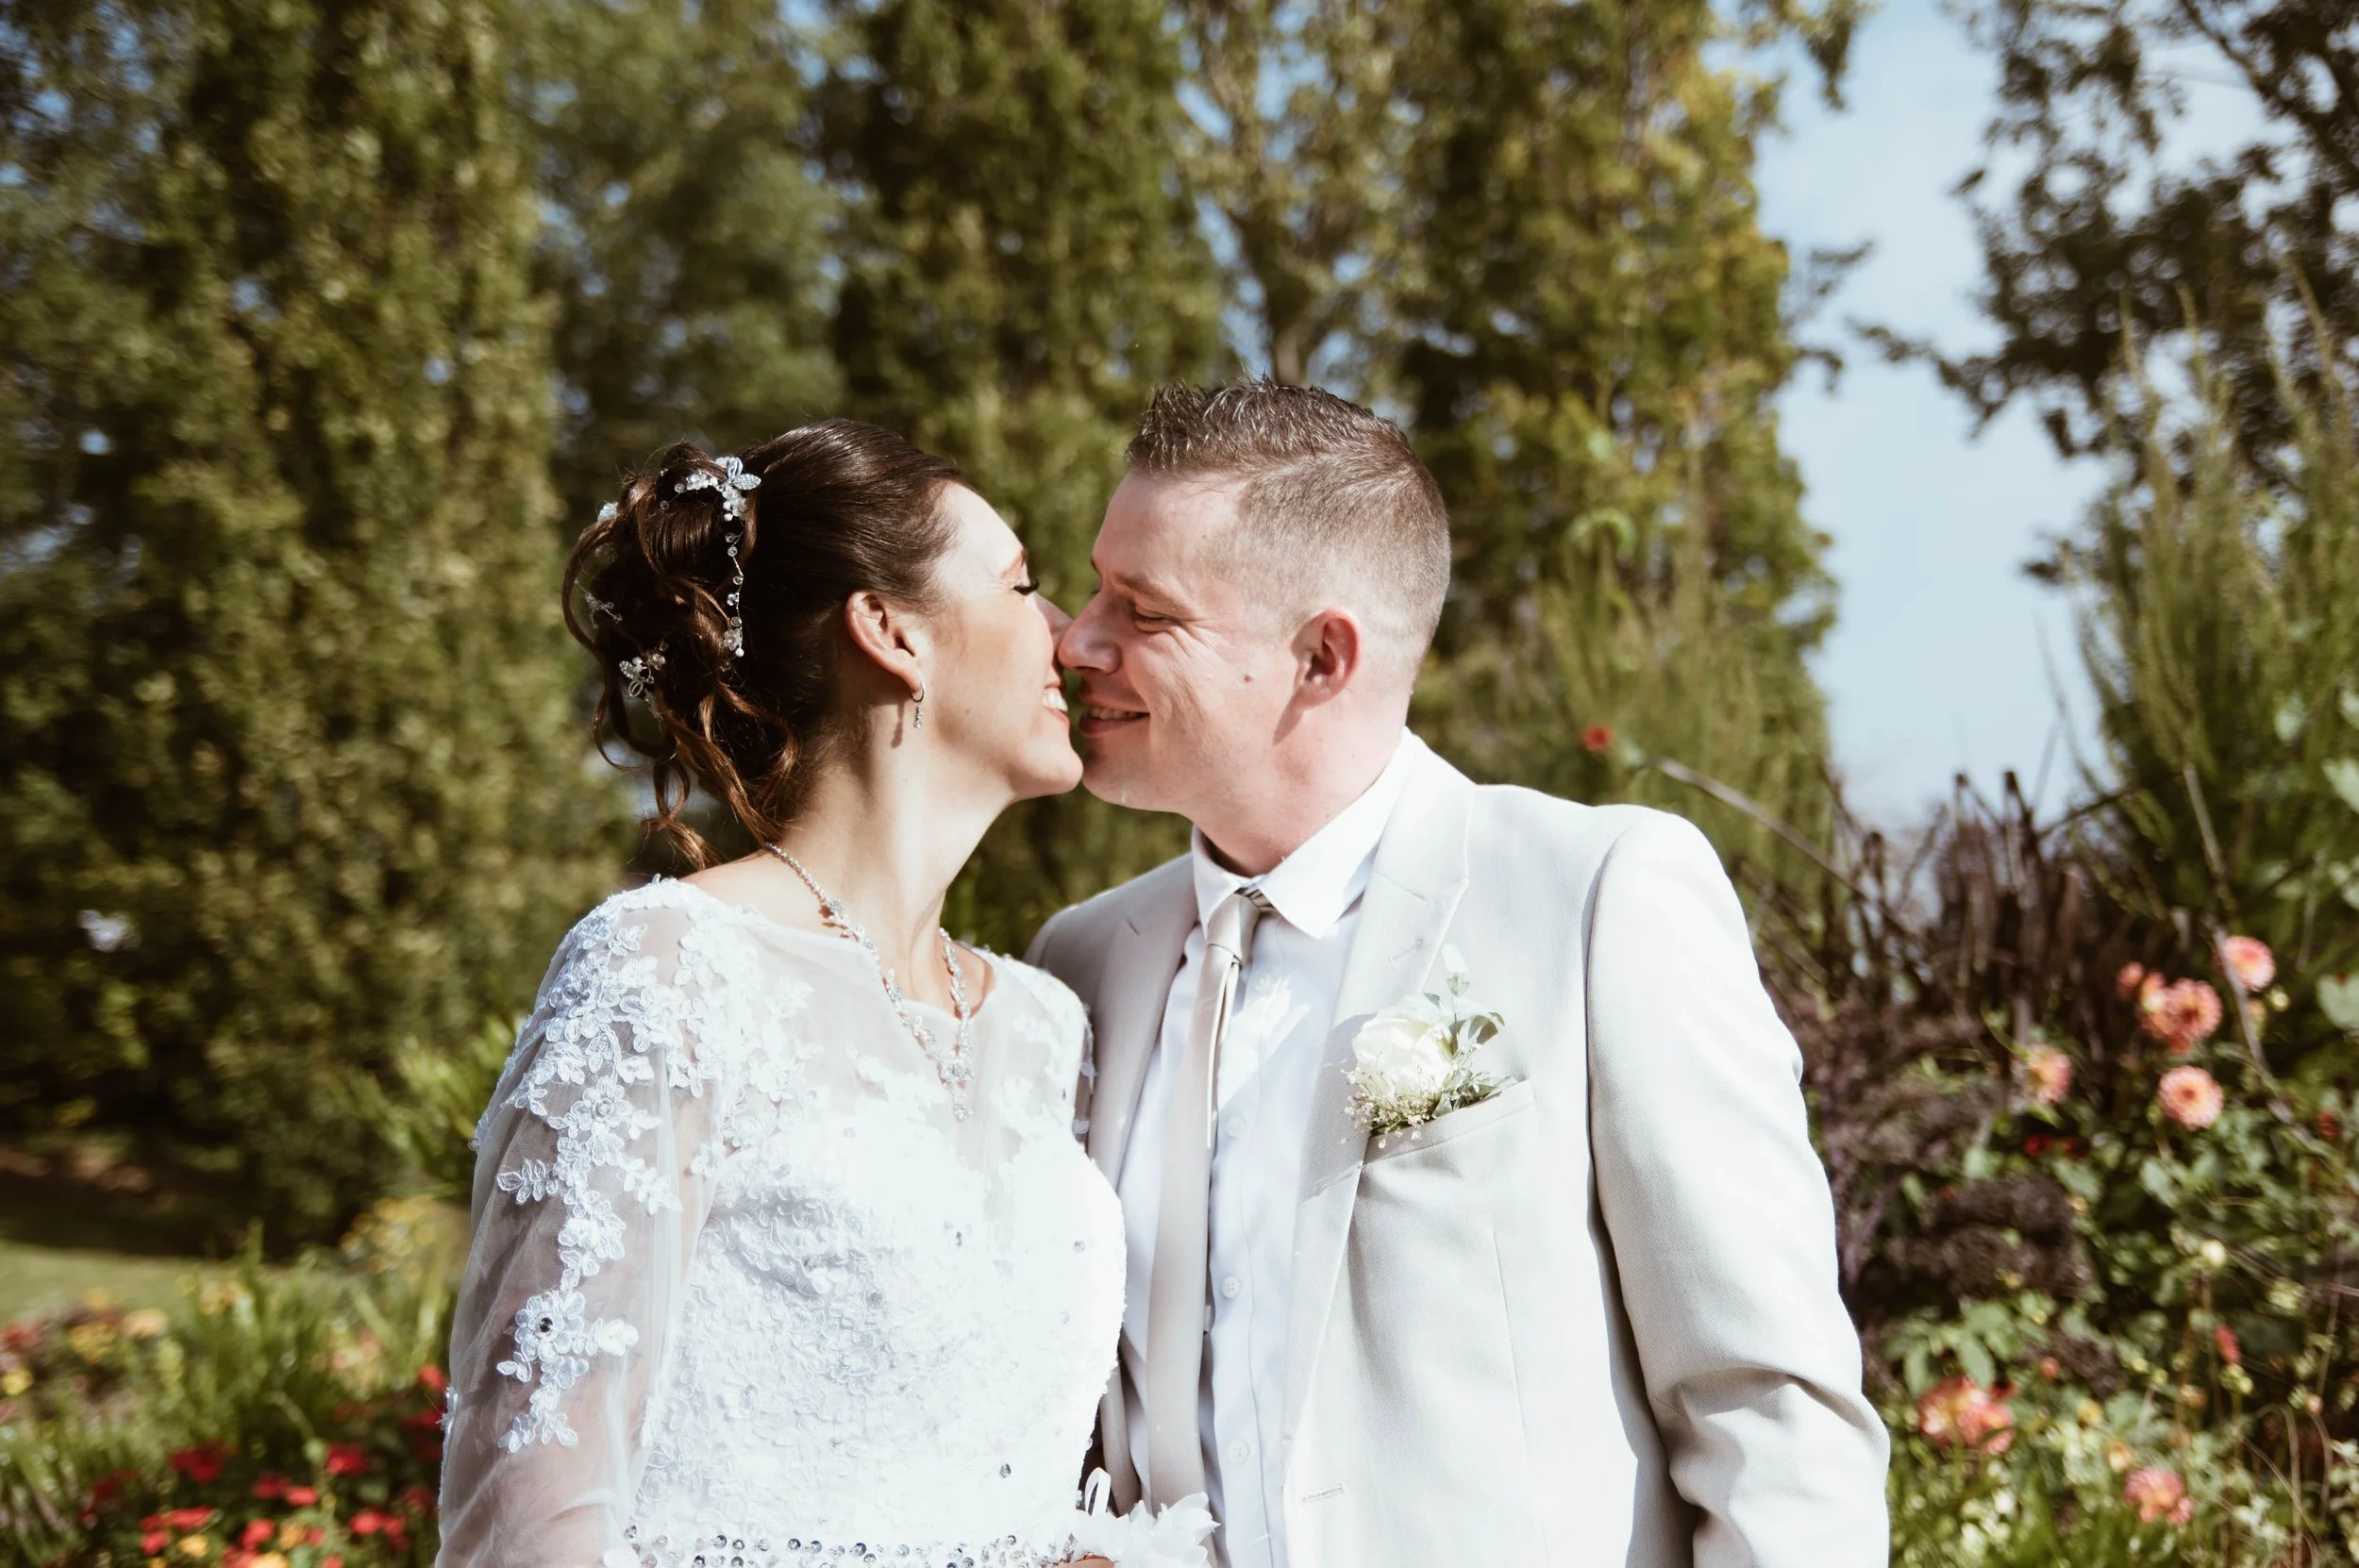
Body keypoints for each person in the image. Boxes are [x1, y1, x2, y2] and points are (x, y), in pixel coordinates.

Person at [1029, 381, 1889, 1568]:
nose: (1077, 639)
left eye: (1144, 608)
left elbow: (1768, 1411)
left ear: (1322, 656)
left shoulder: (1596, 896)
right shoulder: (1075, 964)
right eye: (1092, 587)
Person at [437, 421, 1208, 1568]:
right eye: (1022, 584)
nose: (1067, 634)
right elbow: (533, 1505)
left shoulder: (1046, 1029)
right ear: (891, 631)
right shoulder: (667, 971)